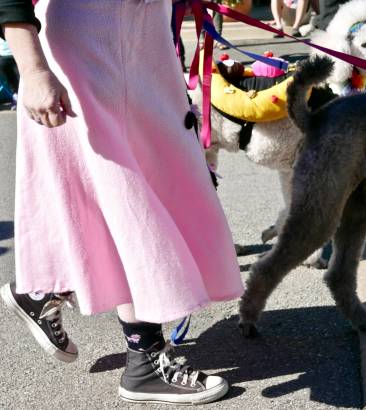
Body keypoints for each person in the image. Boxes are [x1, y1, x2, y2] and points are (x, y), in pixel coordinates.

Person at [0, 0, 243, 406]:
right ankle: (145, 360)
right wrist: (33, 68)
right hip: (84, 43)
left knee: (152, 190)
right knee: (130, 201)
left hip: (144, 40)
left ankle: (48, 288)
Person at [0, 37, 18, 108]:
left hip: (16, 55)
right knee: (10, 81)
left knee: (20, 80)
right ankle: (16, 99)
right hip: (3, 57)